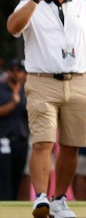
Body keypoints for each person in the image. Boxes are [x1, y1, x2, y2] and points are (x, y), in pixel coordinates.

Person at [6, 0, 86, 218]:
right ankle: (40, 197)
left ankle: (59, 199)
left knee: (72, 145)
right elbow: (13, 27)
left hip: (79, 81)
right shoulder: (29, 5)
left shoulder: (83, 6)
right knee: (43, 142)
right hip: (42, 82)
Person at [0, 59, 29, 200]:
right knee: (4, 175)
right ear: (8, 71)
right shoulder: (1, 89)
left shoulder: (27, 91)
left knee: (18, 175)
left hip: (22, 139)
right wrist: (13, 102)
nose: (16, 73)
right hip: (4, 139)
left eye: (20, 70)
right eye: (13, 70)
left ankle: (14, 203)